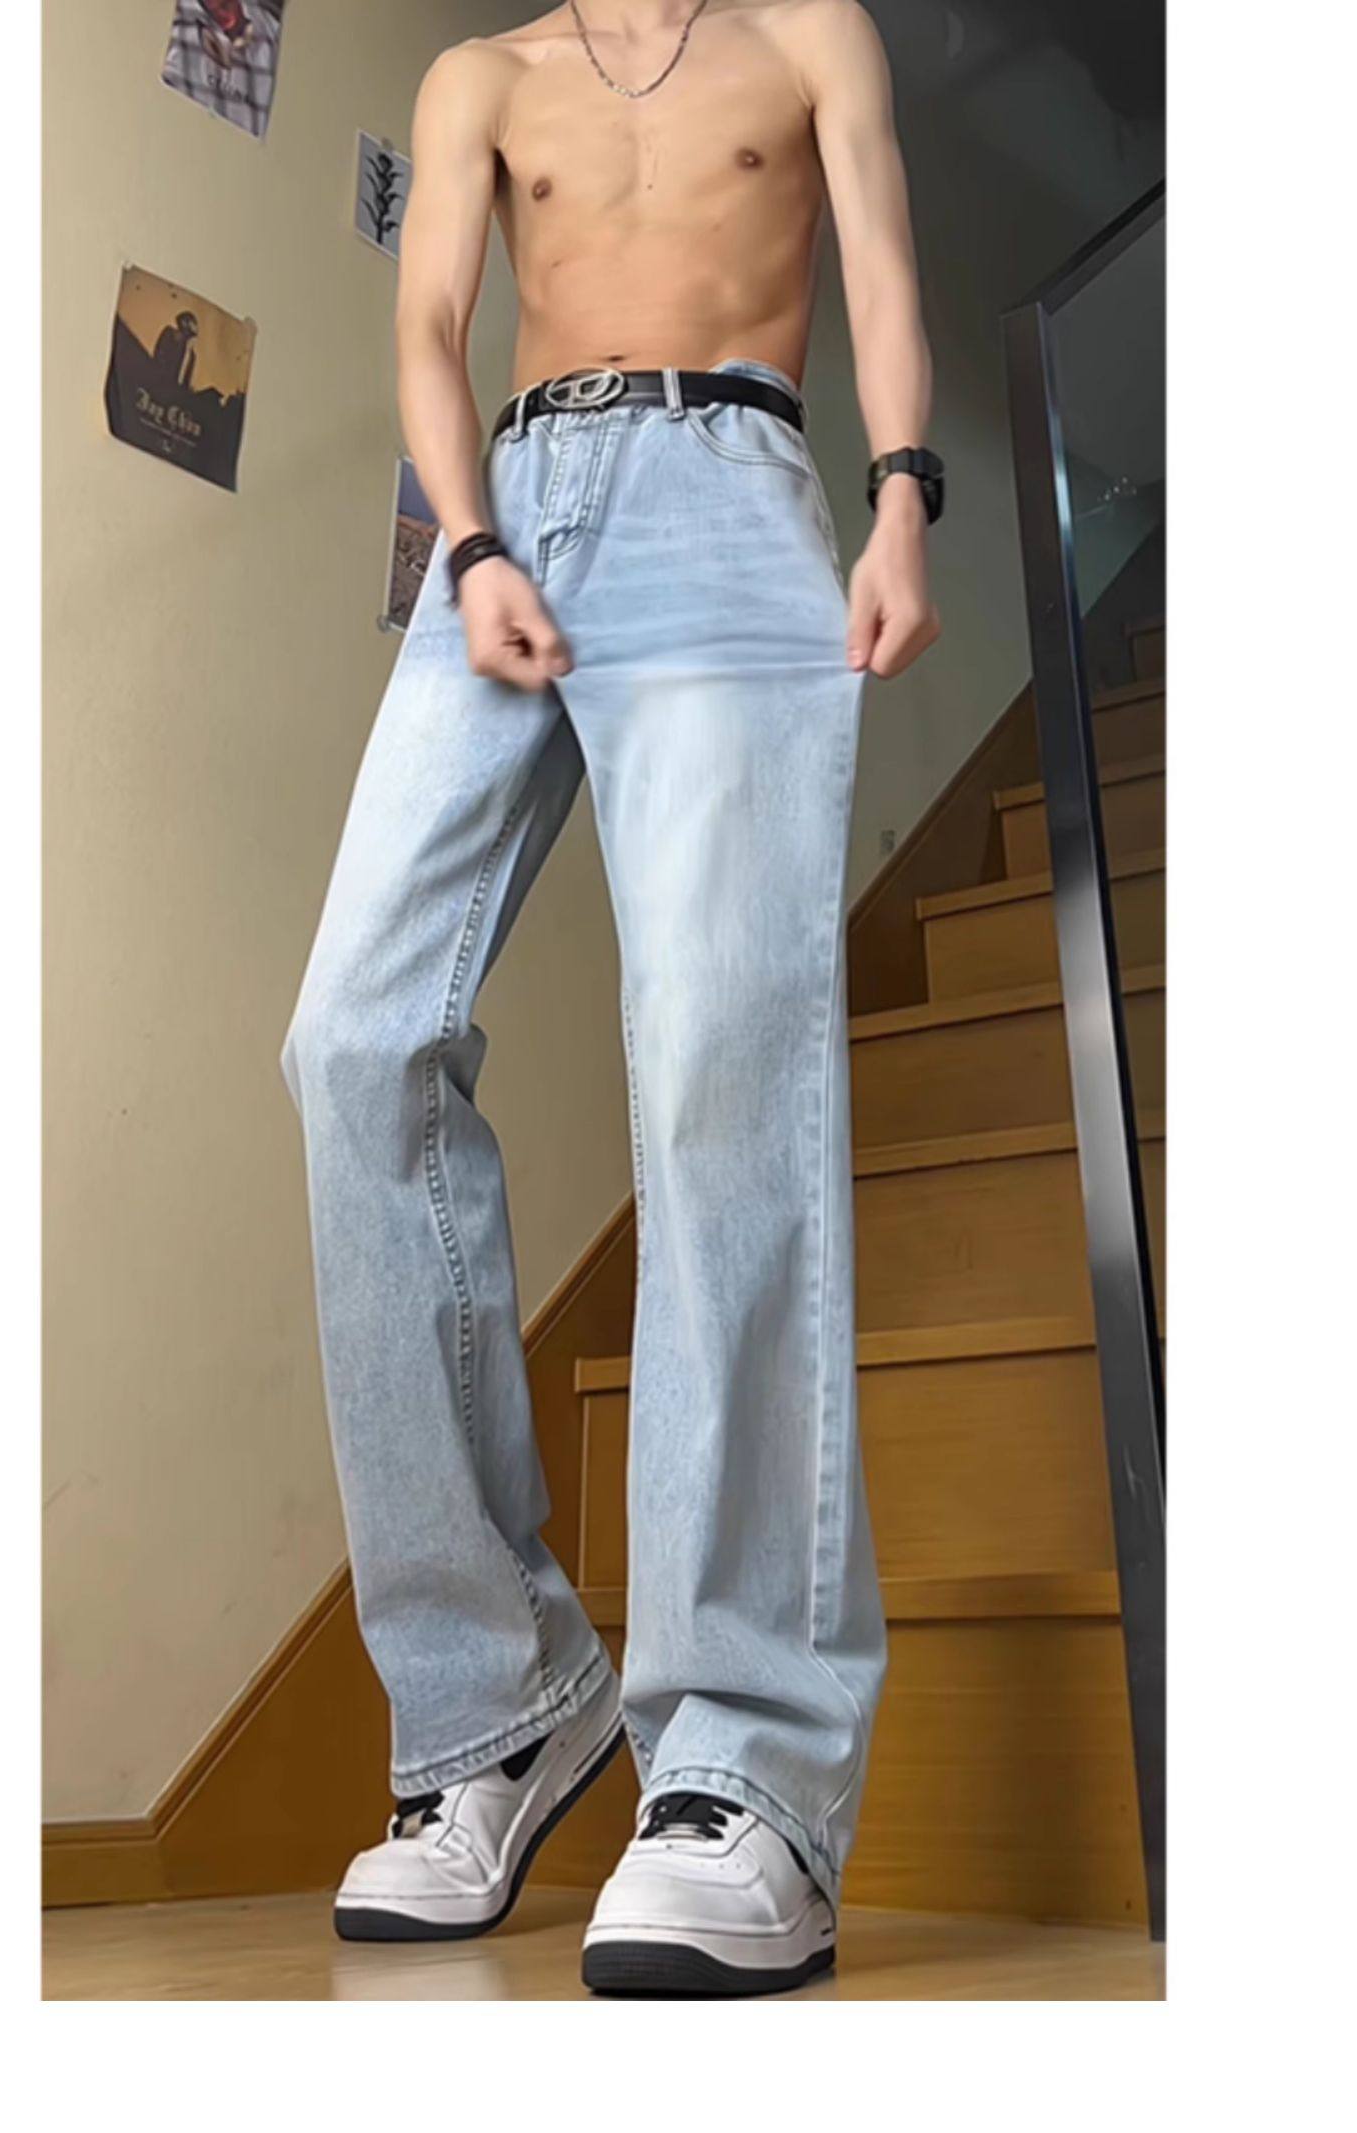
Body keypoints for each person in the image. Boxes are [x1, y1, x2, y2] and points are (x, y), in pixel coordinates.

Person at [281, 0, 940, 1997]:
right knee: (355, 1037)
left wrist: (903, 492)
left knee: (719, 1069)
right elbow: (429, 327)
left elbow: (880, 257)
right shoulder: (482, 78)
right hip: (516, 519)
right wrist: (471, 537)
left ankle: (743, 1767)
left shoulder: (808, 36)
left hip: (738, 490)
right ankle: (497, 1705)